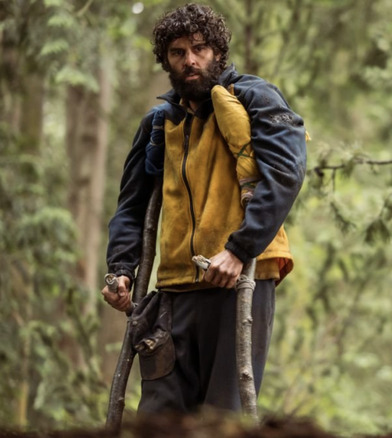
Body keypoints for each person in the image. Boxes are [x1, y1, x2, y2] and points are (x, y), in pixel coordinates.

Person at [101, 3, 307, 414]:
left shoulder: (254, 97)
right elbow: (131, 206)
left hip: (240, 278)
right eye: (178, 52)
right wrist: (121, 271)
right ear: (166, 61)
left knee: (221, 416)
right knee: (158, 416)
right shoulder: (159, 123)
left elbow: (286, 173)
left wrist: (239, 249)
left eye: (199, 48)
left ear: (218, 52)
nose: (190, 60)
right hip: (174, 290)